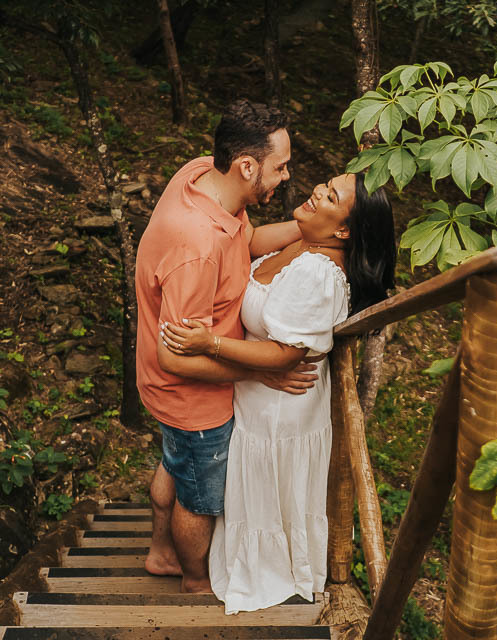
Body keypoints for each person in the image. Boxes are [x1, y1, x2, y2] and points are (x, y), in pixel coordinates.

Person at [159, 172, 396, 612]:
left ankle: (271, 570)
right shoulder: (305, 240)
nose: (316, 192)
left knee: (270, 493)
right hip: (256, 392)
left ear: (344, 229)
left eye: (329, 196)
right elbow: (246, 242)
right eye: (324, 183)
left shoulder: (318, 273)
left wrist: (208, 343)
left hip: (280, 406)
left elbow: (287, 354)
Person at [134, 99, 317, 594]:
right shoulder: (196, 245)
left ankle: (160, 551)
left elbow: (248, 240)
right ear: (247, 165)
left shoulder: (201, 176)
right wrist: (263, 372)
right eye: (279, 168)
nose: (285, 177)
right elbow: (174, 355)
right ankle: (194, 582)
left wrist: (310, 231)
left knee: (177, 463)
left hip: (165, 394)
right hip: (190, 396)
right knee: (201, 496)